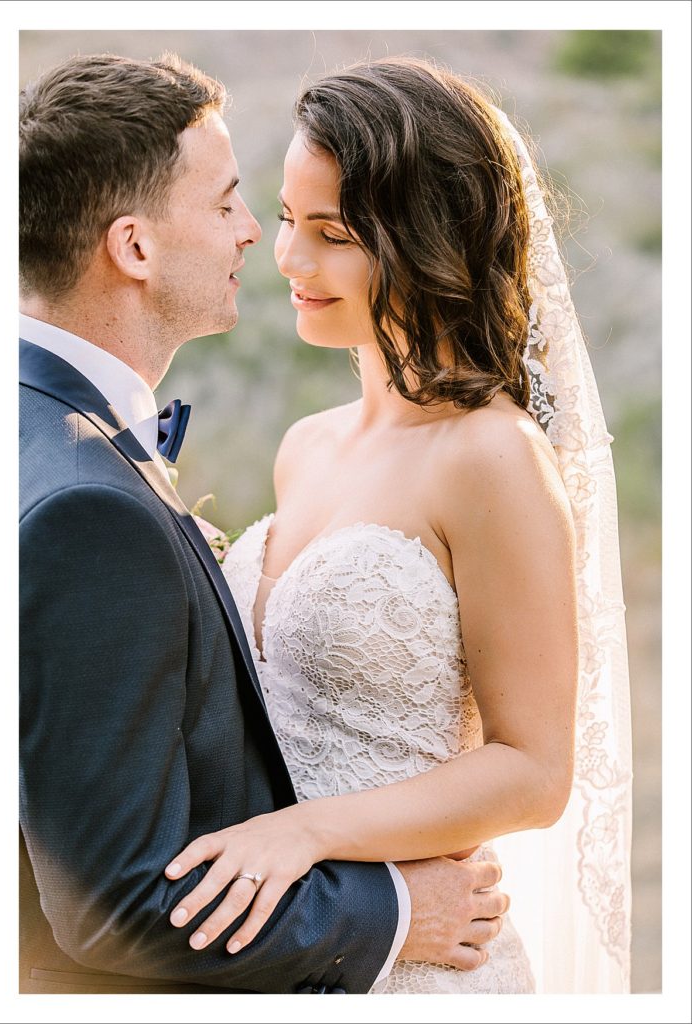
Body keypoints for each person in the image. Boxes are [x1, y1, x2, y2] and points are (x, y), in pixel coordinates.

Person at [18, 52, 510, 996]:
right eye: (231, 204)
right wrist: (401, 911)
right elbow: (112, 900)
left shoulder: (34, 424)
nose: (258, 239)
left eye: (313, 225)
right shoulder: (88, 504)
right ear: (133, 247)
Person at [166, 58, 633, 994]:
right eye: (289, 222)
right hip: (290, 940)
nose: (290, 260)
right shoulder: (304, 445)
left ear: (425, 240)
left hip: (421, 962)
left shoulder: (491, 456)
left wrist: (302, 832)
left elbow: (533, 772)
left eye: (332, 234)